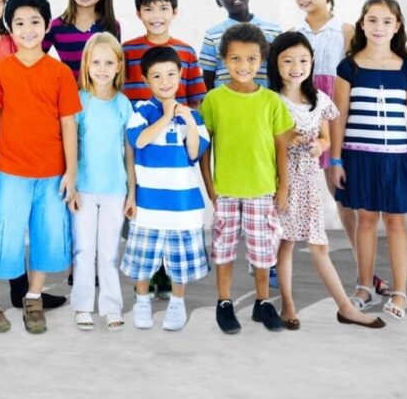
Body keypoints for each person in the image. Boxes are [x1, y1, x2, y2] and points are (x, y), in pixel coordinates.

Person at [0, 0, 80, 334]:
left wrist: (71, 172)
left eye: (34, 21)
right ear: (10, 28)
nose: (28, 29)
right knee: (3, 237)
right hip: (11, 172)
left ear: (46, 24)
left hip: (51, 175)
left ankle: (33, 297)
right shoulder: (2, 70)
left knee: (45, 238)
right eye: (19, 23)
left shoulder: (60, 72)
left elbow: (68, 124)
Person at [267, 32, 383, 330]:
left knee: (319, 246)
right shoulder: (270, 100)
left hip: (308, 184)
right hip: (281, 182)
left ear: (313, 62)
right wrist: (285, 139)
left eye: (303, 60)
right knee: (286, 245)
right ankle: (288, 305)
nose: (297, 66)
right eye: (288, 60)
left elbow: (327, 137)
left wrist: (320, 145)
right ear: (275, 63)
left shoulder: (319, 99)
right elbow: (265, 139)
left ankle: (346, 308)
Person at [328, 0, 407, 321]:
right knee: (366, 220)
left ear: (397, 26)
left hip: (397, 158)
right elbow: (338, 116)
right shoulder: (350, 66)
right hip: (359, 157)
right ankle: (363, 286)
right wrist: (337, 160)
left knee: (396, 223)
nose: (379, 27)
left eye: (387, 21)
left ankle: (399, 291)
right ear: (362, 23)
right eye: (372, 20)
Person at [201, 25, 293, 334]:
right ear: (225, 60)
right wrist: (210, 187)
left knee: (262, 250)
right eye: (236, 58)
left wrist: (283, 187)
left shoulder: (271, 101)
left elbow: (282, 146)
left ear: (262, 60)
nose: (243, 66)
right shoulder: (213, 99)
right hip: (226, 189)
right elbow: (205, 147)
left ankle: (262, 303)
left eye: (252, 59)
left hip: (262, 189)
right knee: (224, 248)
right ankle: (224, 303)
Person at [125, 44, 213, 332]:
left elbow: (193, 153)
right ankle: (142, 302)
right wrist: (165, 116)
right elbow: (139, 142)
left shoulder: (194, 117)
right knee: (143, 261)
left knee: (179, 262)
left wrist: (186, 119)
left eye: (171, 75)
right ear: (146, 80)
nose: (165, 82)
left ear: (180, 76)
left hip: (182, 206)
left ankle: (177, 303)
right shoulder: (140, 112)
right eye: (157, 76)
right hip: (148, 204)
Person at [70, 35, 135, 329]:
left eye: (109, 62)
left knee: (108, 252)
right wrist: (70, 185)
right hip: (84, 189)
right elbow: (70, 147)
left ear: (119, 66)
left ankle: (111, 306)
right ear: (86, 64)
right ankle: (83, 305)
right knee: (84, 250)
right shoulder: (79, 101)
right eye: (96, 62)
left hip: (114, 191)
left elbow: (129, 153)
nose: (102, 68)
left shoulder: (123, 105)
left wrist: (131, 193)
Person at [292, 0, 357, 241]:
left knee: (339, 185)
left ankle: (358, 252)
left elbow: (355, 76)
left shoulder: (345, 30)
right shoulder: (294, 33)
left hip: (337, 113)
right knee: (298, 183)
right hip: (303, 113)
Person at [121, 0, 205, 107]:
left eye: (163, 8)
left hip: (178, 123)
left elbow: (195, 99)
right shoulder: (126, 51)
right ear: (139, 14)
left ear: (175, 11)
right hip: (139, 125)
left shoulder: (187, 52)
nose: (156, 16)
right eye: (148, 9)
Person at [199, 0, 281, 91]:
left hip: (264, 104)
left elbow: (280, 70)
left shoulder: (274, 31)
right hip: (226, 104)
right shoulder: (212, 35)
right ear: (218, 3)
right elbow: (207, 77)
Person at [46, 0, 120, 80]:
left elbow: (115, 68)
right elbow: (35, 59)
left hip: (103, 96)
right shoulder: (56, 26)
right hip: (70, 95)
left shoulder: (111, 26)